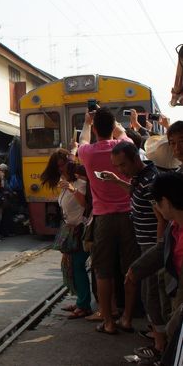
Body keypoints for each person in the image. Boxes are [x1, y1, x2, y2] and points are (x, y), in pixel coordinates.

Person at [77, 107, 140, 335]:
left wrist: (86, 123)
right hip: (128, 215)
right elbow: (124, 135)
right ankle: (127, 318)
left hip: (103, 218)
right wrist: (117, 128)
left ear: (95, 129)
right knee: (130, 267)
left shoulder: (88, 153)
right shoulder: (124, 147)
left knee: (103, 270)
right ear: (113, 127)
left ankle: (108, 322)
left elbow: (82, 140)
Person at [101, 141, 165, 357]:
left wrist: (156, 252)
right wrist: (117, 180)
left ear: (135, 159)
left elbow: (161, 218)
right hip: (145, 242)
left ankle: (160, 347)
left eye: (122, 165)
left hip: (152, 244)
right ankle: (157, 334)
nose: (121, 170)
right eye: (117, 166)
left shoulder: (151, 181)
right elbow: (134, 191)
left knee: (151, 293)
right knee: (150, 292)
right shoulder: (140, 177)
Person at [127, 172, 183, 366]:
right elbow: (162, 249)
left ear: (166, 202)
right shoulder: (175, 226)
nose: (157, 209)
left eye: (157, 204)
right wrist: (136, 269)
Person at [40, 149, 91, 319]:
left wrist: (71, 188)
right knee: (70, 268)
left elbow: (85, 204)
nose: (61, 169)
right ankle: (80, 302)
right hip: (69, 231)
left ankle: (84, 305)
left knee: (78, 267)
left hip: (81, 231)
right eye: (58, 167)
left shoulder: (81, 184)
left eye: (63, 165)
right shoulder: (63, 184)